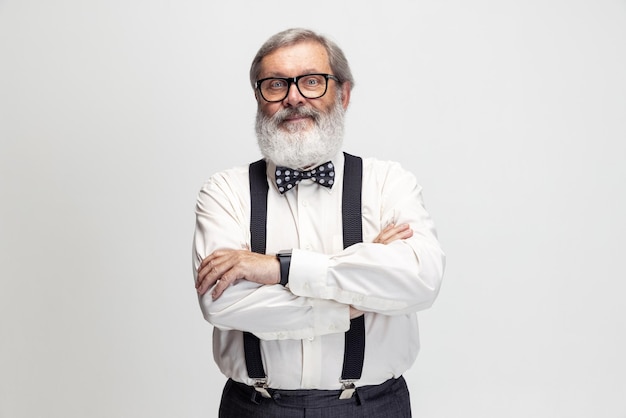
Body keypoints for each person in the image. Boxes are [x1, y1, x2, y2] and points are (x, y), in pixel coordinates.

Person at [192, 27, 445, 418]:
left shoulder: (388, 183)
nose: (294, 98)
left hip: (372, 406)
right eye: (276, 85)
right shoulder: (225, 190)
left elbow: (420, 281)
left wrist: (280, 268)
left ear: (343, 94)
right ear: (260, 98)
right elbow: (221, 301)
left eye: (311, 81)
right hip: (256, 407)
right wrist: (353, 301)